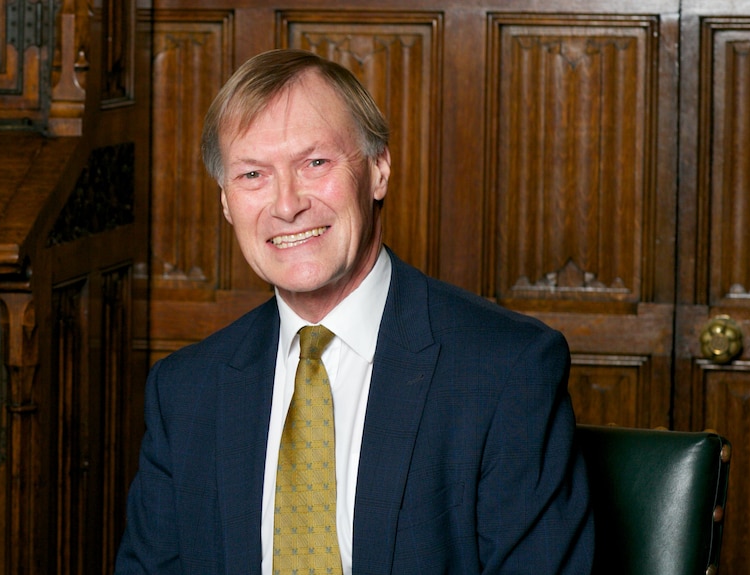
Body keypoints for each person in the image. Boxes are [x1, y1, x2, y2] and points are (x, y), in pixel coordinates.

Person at [115, 48, 594, 574]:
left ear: (379, 170)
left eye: (315, 163)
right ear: (226, 201)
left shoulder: (506, 372)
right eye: (253, 174)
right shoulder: (184, 392)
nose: (286, 203)